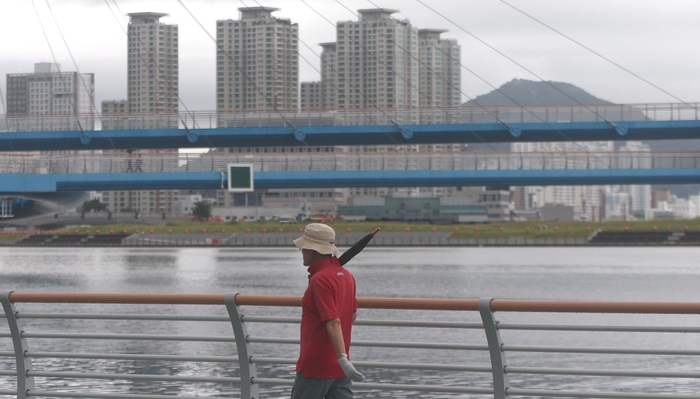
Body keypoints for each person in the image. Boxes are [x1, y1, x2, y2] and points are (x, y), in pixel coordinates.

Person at [291, 223, 364, 399]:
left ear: (313, 250)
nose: (301, 251)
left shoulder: (320, 280)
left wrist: (341, 357)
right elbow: (351, 315)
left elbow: (333, 321)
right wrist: (343, 360)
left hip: (317, 364)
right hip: (340, 366)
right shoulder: (347, 276)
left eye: (303, 248)